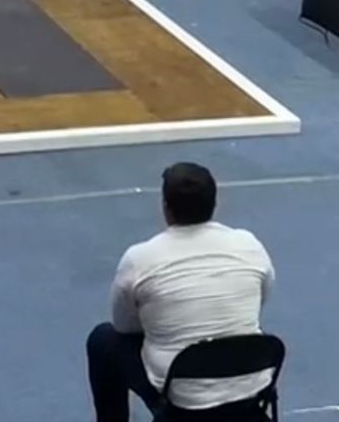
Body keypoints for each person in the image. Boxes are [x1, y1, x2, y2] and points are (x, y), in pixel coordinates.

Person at [86, 162, 275, 422]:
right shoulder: (249, 245)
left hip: (185, 403)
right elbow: (263, 297)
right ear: (215, 203)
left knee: (103, 340)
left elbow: (124, 326)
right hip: (249, 390)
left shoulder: (140, 258)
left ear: (165, 207)